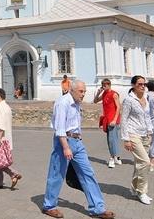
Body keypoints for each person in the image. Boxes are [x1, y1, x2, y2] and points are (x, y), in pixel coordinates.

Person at [42, 80, 115, 219]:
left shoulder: (76, 103)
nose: (83, 94)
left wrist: (78, 140)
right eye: (81, 91)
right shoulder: (62, 102)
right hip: (64, 141)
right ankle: (49, 205)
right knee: (57, 174)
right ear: (72, 90)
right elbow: (60, 128)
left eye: (85, 92)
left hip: (77, 142)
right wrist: (66, 147)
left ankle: (97, 208)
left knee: (88, 173)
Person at [120, 75, 154, 205]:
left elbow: (147, 116)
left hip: (146, 134)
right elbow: (123, 119)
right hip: (133, 134)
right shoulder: (129, 100)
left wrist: (151, 131)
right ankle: (142, 191)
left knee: (138, 164)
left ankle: (134, 188)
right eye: (140, 84)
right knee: (145, 162)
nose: (143, 86)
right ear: (133, 85)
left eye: (144, 84)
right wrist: (126, 139)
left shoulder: (146, 97)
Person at [0, 87, 22, 189]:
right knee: (0, 160)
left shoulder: (0, 108)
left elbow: (1, 125)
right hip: (5, 138)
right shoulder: (7, 107)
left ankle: (12, 173)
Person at [93, 78, 122, 168]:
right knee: (112, 139)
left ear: (109, 85)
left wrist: (114, 119)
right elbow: (95, 101)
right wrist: (98, 92)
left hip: (113, 120)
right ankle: (116, 157)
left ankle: (112, 158)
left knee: (112, 140)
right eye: (102, 85)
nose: (104, 86)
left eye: (105, 85)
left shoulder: (114, 94)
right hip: (107, 119)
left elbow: (118, 107)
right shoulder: (104, 93)